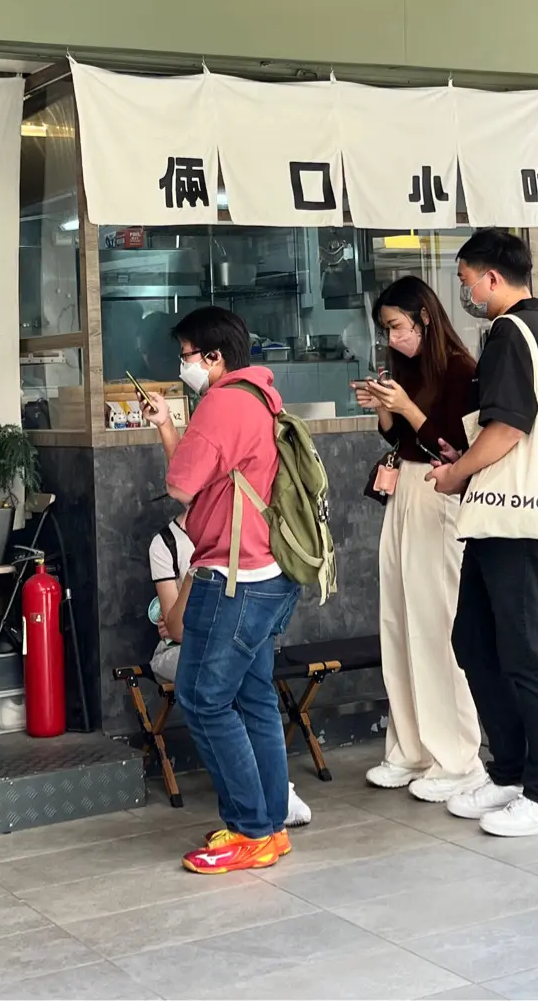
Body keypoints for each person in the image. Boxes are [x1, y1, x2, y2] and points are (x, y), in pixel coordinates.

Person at [427, 229, 538, 838]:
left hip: (518, 523)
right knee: (477, 641)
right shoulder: (527, 330)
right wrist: (465, 460)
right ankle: (511, 771)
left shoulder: (514, 332)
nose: (465, 292)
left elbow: (510, 428)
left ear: (491, 277)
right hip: (499, 519)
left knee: (526, 655)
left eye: (466, 281)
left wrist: (458, 471)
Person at [142, 307, 301, 875]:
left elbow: (181, 485)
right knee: (254, 698)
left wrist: (176, 437)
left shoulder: (222, 402)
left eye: (186, 355)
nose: (182, 365)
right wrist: (171, 430)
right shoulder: (261, 395)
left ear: (213, 357)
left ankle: (251, 830)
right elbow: (206, 484)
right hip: (268, 572)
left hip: (233, 575)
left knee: (203, 698)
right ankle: (270, 825)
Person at [351, 277, 484, 803]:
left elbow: (451, 444)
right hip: (404, 490)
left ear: (424, 318)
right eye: (386, 329)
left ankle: (457, 757)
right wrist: (385, 408)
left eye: (397, 326)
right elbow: (401, 438)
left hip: (439, 491)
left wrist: (406, 407)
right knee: (399, 620)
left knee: (436, 624)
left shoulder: (461, 369)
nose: (392, 337)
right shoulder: (407, 366)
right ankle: (410, 749)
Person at [147, 512, 312, 826]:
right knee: (229, 685)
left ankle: (266, 809)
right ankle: (266, 807)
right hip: (179, 651)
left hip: (235, 638)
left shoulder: (241, 526)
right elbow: (177, 630)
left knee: (251, 690)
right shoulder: (166, 543)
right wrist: (198, 571)